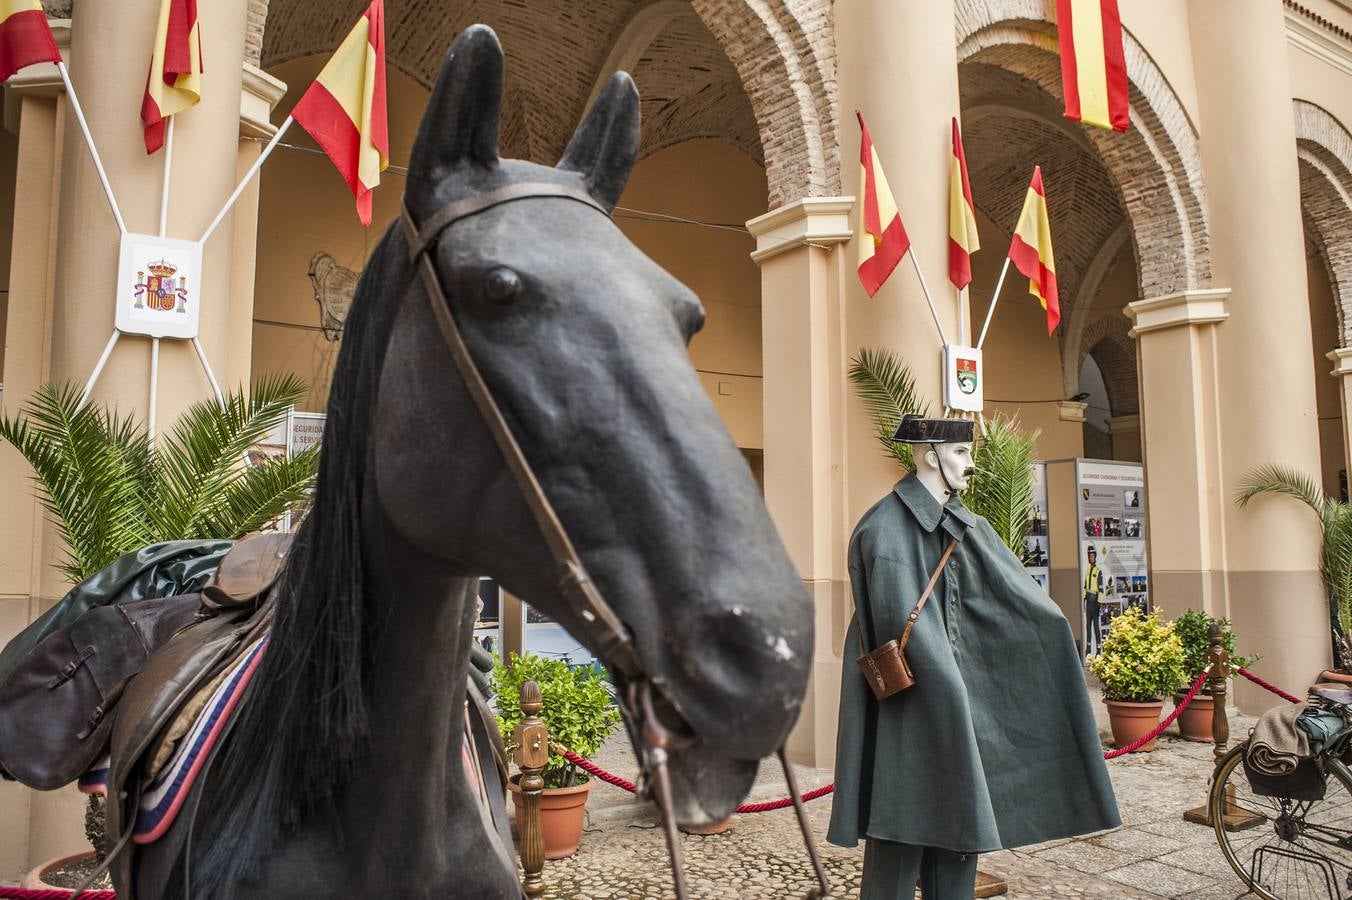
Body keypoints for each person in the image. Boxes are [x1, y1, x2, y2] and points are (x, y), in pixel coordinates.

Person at [828, 415, 1119, 899]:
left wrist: (1053, 635)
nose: (971, 463)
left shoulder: (968, 525)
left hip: (957, 703)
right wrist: (953, 693)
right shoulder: (884, 530)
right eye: (960, 453)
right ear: (930, 455)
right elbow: (901, 627)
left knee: (959, 835)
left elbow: (1015, 598)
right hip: (909, 709)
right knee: (900, 831)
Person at [1084, 545, 1106, 653]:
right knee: (1088, 626)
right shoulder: (1087, 571)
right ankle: (1088, 649)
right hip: (1088, 603)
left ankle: (1098, 650)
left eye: (1092, 556)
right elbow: (1085, 588)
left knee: (1096, 627)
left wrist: (1099, 602)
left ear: (1095, 557)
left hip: (1095, 603)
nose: (1091, 558)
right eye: (1089, 556)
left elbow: (1101, 589)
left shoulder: (1098, 571)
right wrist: (1084, 599)